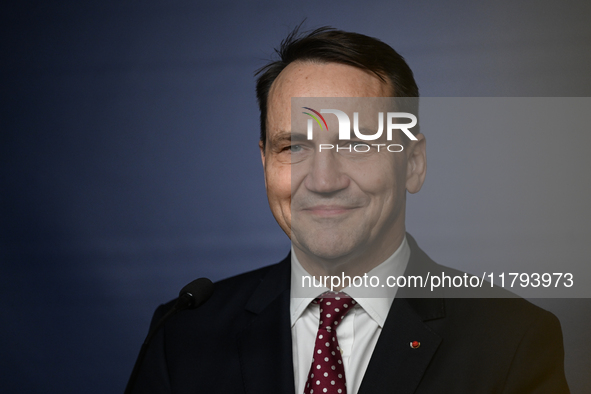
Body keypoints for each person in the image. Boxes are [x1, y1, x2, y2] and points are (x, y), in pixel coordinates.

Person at [129, 26, 569, 394]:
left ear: (412, 164)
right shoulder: (183, 334)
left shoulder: (512, 341)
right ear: (265, 164)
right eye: (294, 146)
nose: (323, 180)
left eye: (357, 144)